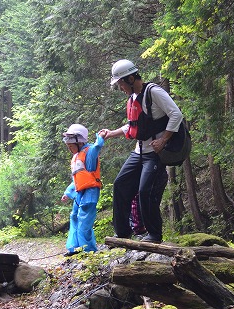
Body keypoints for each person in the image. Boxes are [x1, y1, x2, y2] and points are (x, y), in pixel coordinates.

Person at [99, 59, 183, 244]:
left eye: (120, 82)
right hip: (139, 152)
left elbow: (176, 114)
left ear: (130, 78)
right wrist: (110, 133)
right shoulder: (133, 98)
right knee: (120, 184)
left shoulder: (154, 92)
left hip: (155, 154)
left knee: (145, 191)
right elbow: (132, 126)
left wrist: (163, 139)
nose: (120, 87)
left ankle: (154, 235)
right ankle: (122, 233)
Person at [61, 123, 105, 255]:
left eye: (71, 145)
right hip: (79, 193)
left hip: (90, 193)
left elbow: (97, 146)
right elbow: (78, 179)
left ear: (79, 142)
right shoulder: (76, 157)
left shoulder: (89, 151)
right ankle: (74, 248)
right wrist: (68, 193)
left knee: (84, 220)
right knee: (74, 216)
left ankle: (87, 250)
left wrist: (100, 136)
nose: (69, 148)